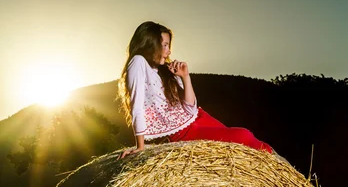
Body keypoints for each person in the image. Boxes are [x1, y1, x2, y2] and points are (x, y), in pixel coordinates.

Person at [117, 21, 274, 159]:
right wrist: (140, 147)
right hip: (182, 133)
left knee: (246, 143)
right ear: (150, 43)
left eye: (168, 46)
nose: (168, 51)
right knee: (243, 135)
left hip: (198, 117)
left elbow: (190, 106)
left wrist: (185, 77)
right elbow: (136, 106)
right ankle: (273, 163)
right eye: (164, 45)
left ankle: (276, 164)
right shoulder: (138, 62)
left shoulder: (165, 72)